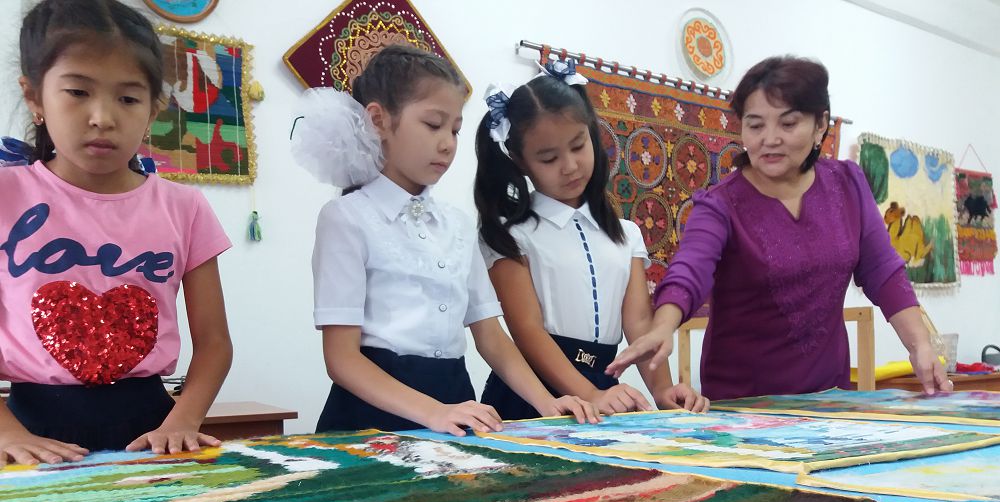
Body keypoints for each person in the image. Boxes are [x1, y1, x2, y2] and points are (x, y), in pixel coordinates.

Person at [295, 46, 599, 437]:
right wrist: (433, 413)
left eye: (454, 130)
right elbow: (341, 360)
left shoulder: (457, 224)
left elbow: (490, 335)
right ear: (378, 120)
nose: (447, 143)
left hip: (455, 405)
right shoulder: (346, 218)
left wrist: (547, 403)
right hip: (371, 420)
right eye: (433, 125)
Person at [607, 55, 951, 399]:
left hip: (829, 400)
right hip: (743, 406)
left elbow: (883, 271)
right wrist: (663, 326)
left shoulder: (847, 184)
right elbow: (689, 271)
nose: (769, 139)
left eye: (788, 124)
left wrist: (920, 346)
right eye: (756, 126)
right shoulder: (720, 205)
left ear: (820, 125)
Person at [0, 0, 233, 464]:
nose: (103, 117)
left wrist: (183, 421)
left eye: (127, 98)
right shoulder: (7, 195)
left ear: (154, 109)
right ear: (34, 97)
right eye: (78, 92)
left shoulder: (184, 206)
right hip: (25, 433)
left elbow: (214, 343)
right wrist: (6, 434)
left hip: (151, 430)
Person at [473, 61, 708, 420]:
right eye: (549, 158)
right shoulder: (509, 235)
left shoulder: (626, 234)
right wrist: (589, 393)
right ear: (520, 162)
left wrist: (663, 391)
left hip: (601, 388)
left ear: (592, 135)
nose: (570, 166)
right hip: (534, 396)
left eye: (578, 145)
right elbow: (527, 330)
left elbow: (639, 325)